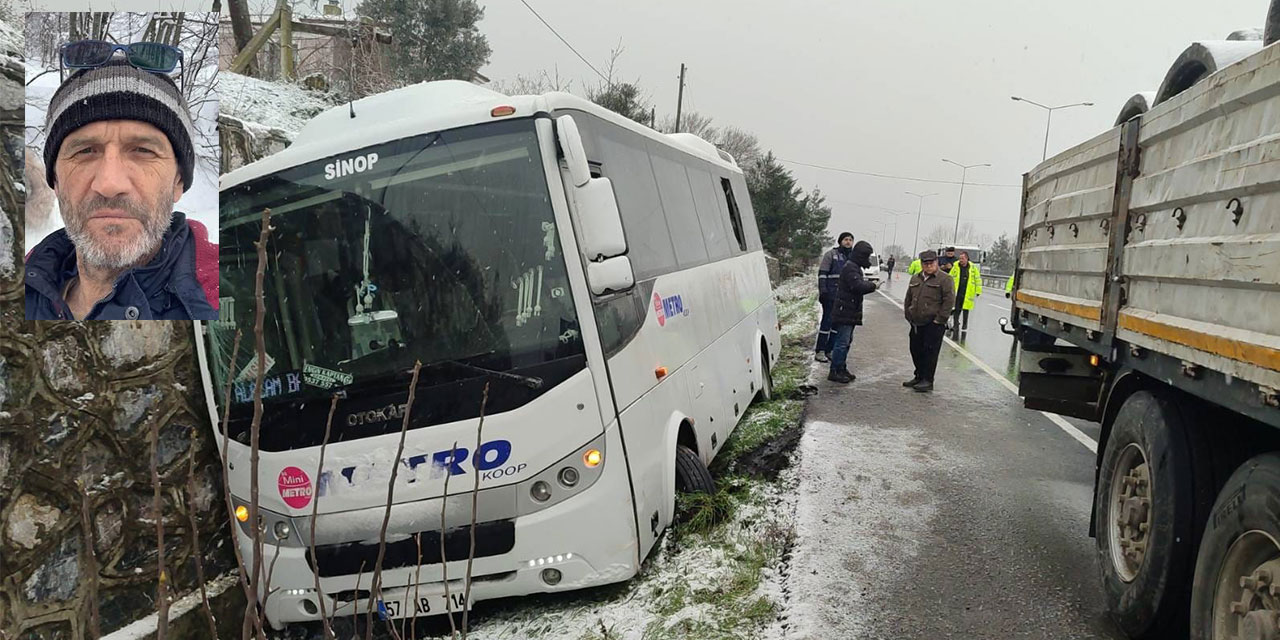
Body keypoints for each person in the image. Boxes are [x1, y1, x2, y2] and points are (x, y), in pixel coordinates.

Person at [25, 53, 218, 320]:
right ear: (55, 181)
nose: (109, 184)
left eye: (142, 150)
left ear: (178, 181)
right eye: (84, 151)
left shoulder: (224, 291)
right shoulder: (20, 284)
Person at [902, 250, 955, 393]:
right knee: (915, 349)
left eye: (931, 263)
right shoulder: (915, 278)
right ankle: (918, 376)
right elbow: (908, 298)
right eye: (926, 263)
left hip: (933, 323)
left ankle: (927, 380)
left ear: (936, 262)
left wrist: (940, 320)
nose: (929, 266)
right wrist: (908, 313)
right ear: (921, 264)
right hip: (916, 322)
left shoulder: (945, 279)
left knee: (930, 352)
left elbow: (949, 301)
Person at [827, 240, 877, 383]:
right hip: (845, 311)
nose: (867, 259)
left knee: (846, 341)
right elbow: (857, 286)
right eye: (866, 256)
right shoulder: (851, 268)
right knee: (842, 342)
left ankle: (841, 368)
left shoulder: (854, 267)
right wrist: (873, 285)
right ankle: (835, 371)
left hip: (849, 310)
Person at [814, 232, 854, 362]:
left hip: (845, 298)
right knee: (827, 322)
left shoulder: (853, 257)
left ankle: (829, 350)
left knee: (837, 326)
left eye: (850, 240)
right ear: (840, 241)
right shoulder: (831, 255)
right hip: (830, 295)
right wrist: (823, 291)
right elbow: (822, 274)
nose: (848, 242)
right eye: (846, 239)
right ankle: (820, 350)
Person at [949, 250, 982, 336]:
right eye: (960, 258)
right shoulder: (955, 267)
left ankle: (964, 324)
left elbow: (977, 279)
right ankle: (956, 324)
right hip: (957, 291)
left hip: (968, 292)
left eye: (962, 258)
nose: (961, 260)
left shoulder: (973, 268)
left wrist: (978, 291)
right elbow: (950, 277)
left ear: (967, 259)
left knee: (966, 310)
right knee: (956, 309)